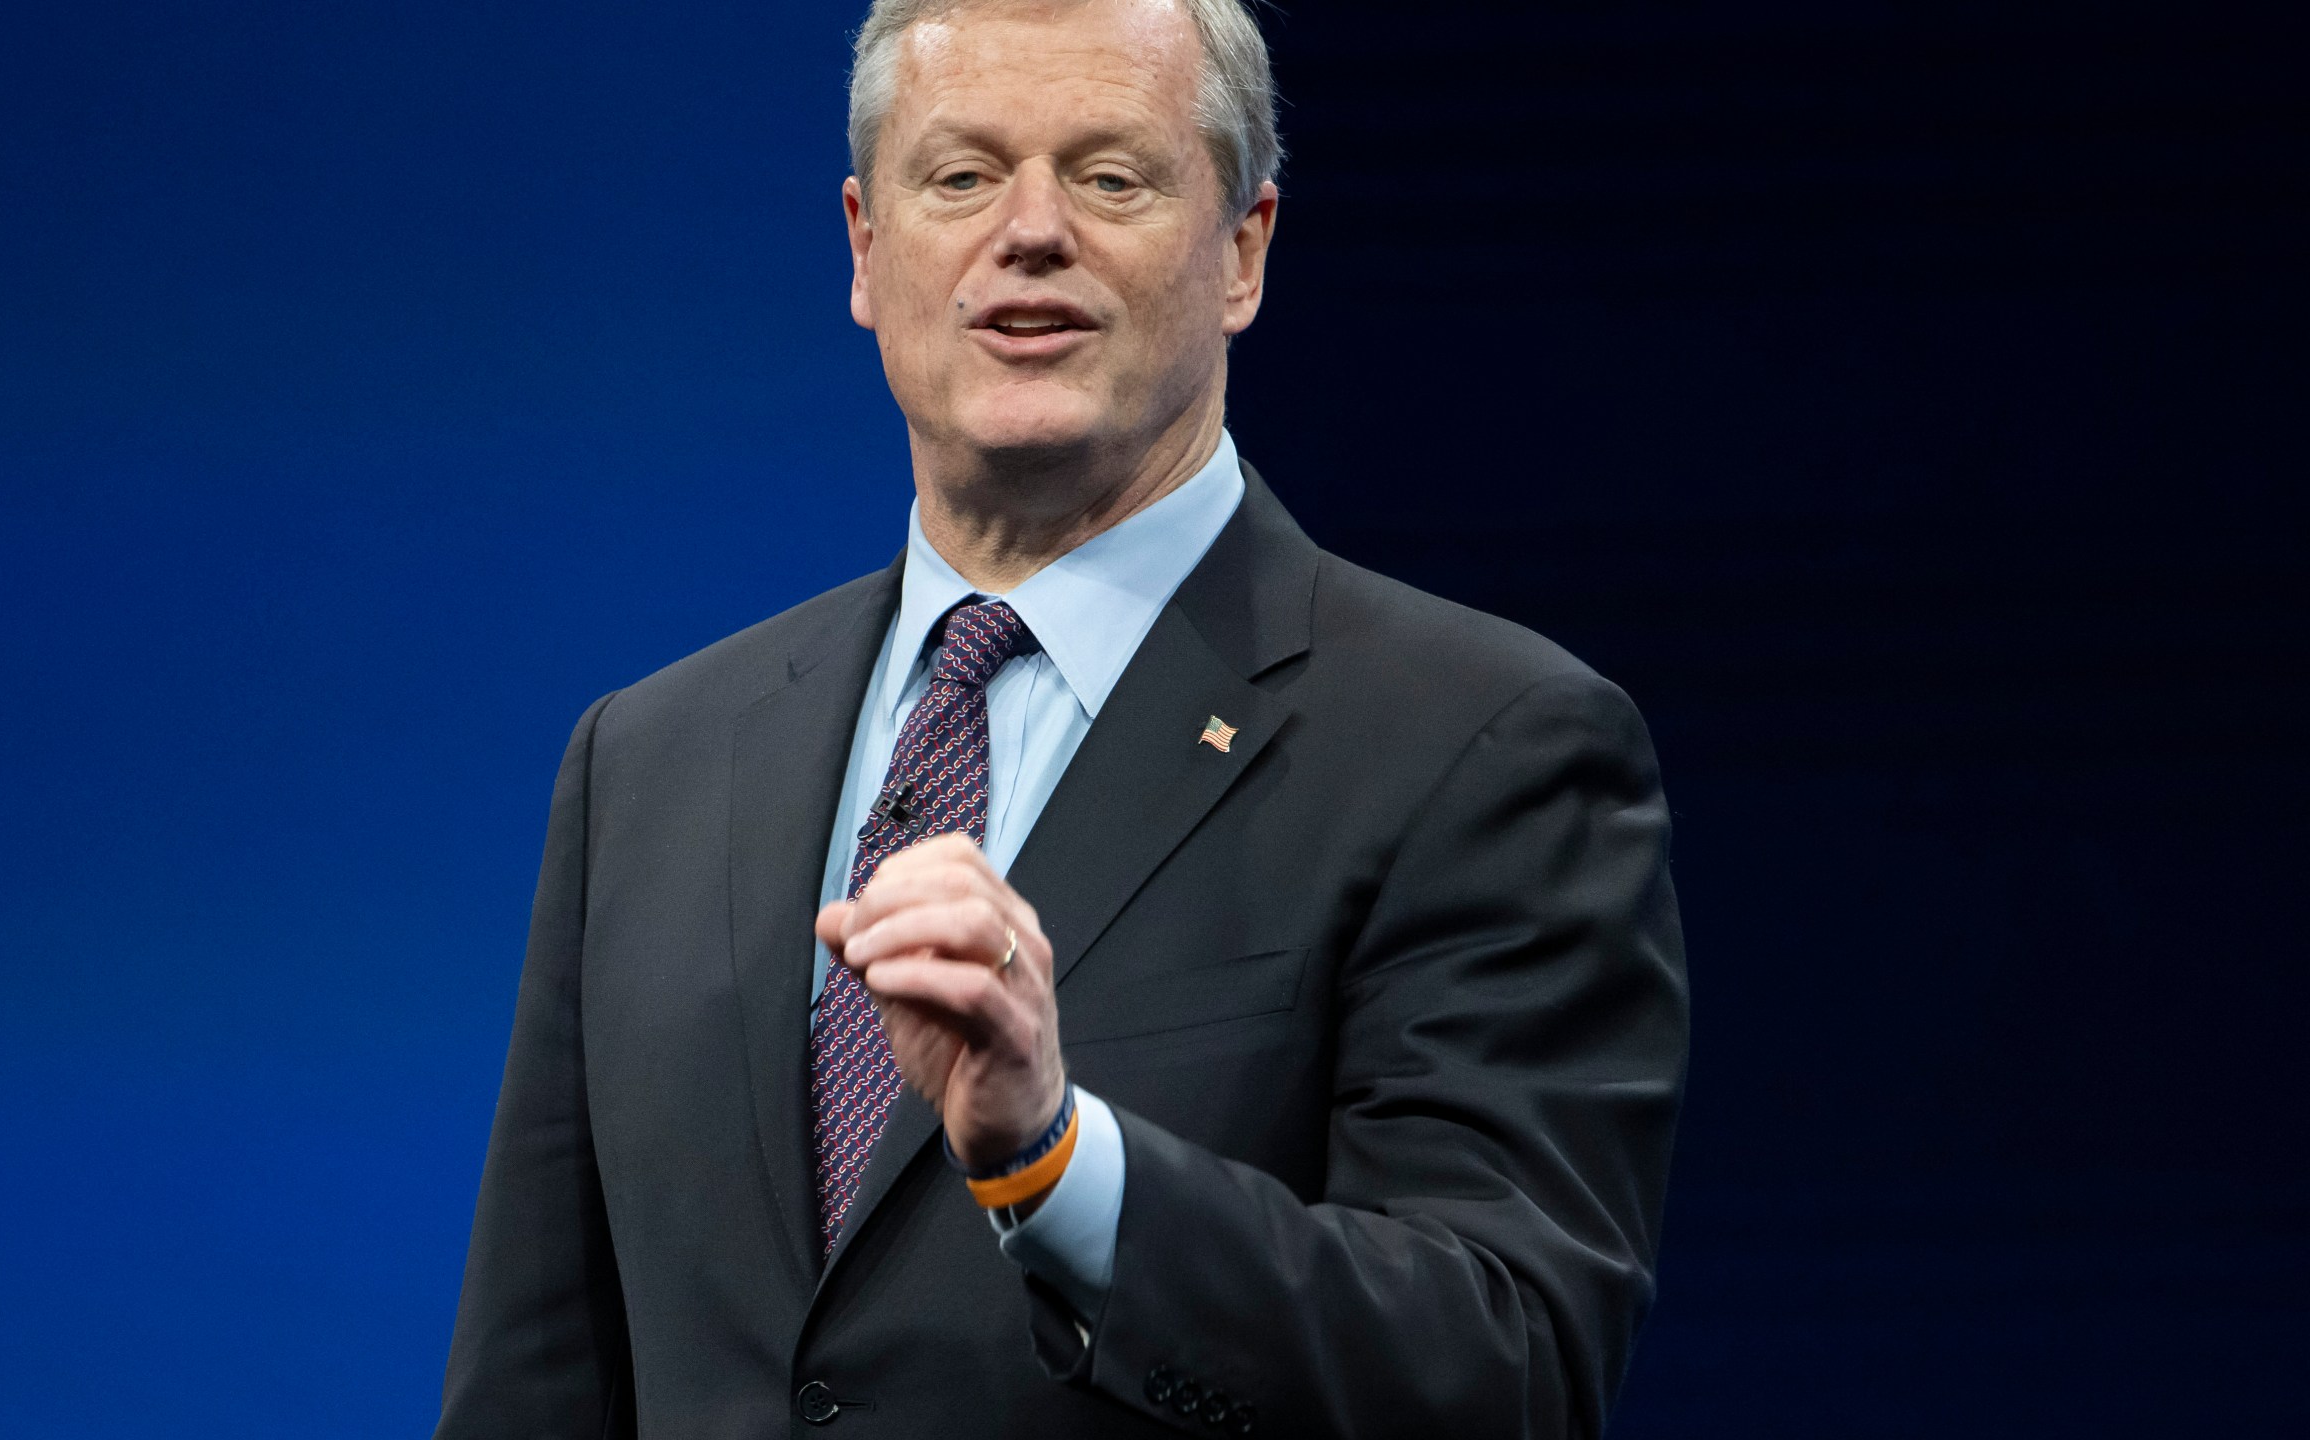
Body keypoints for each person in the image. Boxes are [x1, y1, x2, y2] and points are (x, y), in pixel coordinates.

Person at [433, 0, 1687, 1435]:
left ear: (1245, 248)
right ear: (863, 243)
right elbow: (534, 1389)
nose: (1028, 232)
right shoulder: (650, 762)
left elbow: (1505, 1370)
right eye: (960, 176)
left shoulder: (1482, 745)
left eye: (1110, 176)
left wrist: (1058, 1163)